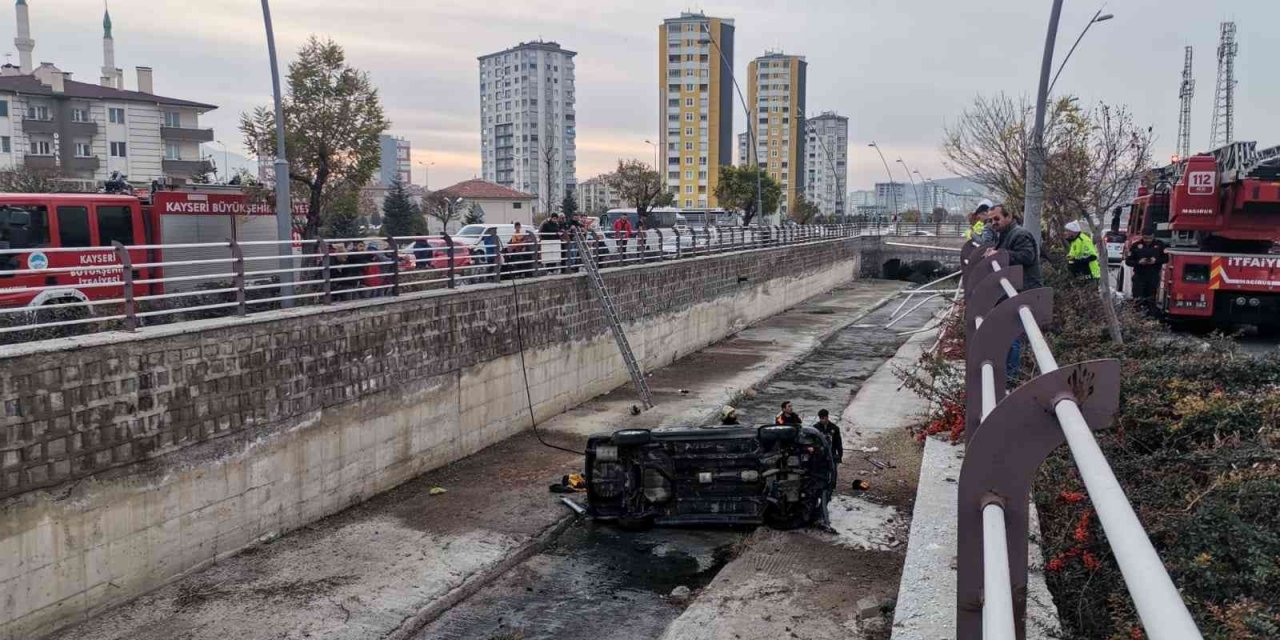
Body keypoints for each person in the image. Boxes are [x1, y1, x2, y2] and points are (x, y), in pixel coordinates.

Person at [983, 205, 1042, 381]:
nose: (993, 223)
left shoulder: (1019, 234)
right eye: (991, 220)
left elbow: (1027, 257)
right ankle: (1009, 373)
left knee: (1012, 334)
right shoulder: (1007, 234)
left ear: (1008, 217)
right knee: (1010, 333)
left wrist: (999, 254)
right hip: (1015, 290)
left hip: (1023, 289)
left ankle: (1011, 376)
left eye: (996, 219)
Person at [1125, 229, 1168, 308]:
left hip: (1153, 276)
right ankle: (1137, 316)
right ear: (1142, 236)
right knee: (1138, 299)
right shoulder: (1135, 246)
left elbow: (1166, 259)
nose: (1147, 240)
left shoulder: (1160, 245)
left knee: (1151, 299)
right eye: (1145, 238)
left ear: (1153, 236)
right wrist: (1139, 262)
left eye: (1150, 238)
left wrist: (1155, 261)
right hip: (1139, 275)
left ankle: (1150, 316)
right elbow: (1128, 261)